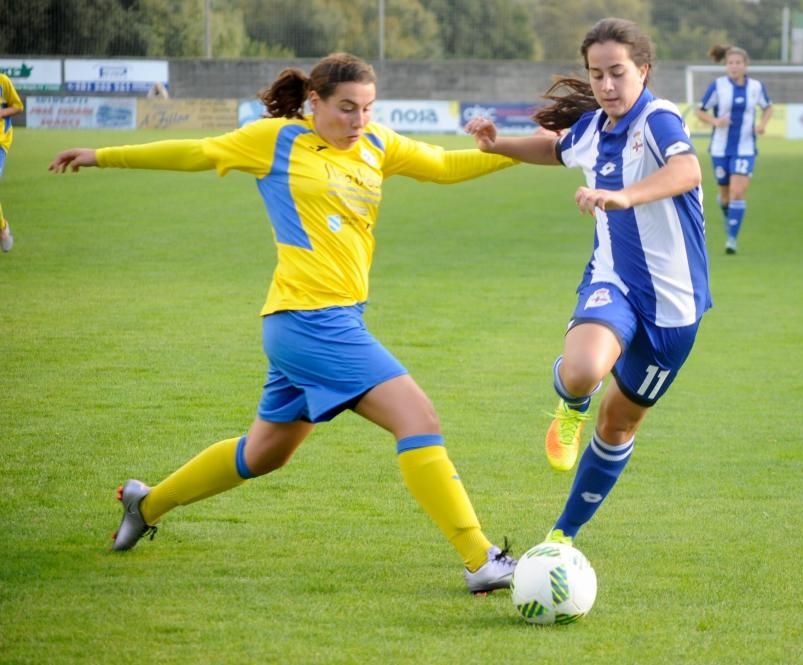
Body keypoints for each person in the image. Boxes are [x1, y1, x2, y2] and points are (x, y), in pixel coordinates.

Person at [49, 52, 518, 594]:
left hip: (324, 319)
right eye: (346, 108)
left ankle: (146, 503)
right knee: (417, 417)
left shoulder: (376, 144)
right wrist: (102, 156)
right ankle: (479, 557)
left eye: (367, 108)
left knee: (263, 454)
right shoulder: (275, 140)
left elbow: (443, 164)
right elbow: (197, 152)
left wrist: (529, 152)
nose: (358, 121)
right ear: (314, 102)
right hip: (309, 320)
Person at [465, 18, 709, 545]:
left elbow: (687, 172)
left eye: (617, 73)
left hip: (674, 310)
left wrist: (626, 195)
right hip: (614, 282)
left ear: (643, 71)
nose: (607, 86)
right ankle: (570, 404)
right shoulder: (592, 130)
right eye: (597, 75)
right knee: (581, 372)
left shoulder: (660, 119)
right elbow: (554, 149)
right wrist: (496, 145)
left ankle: (562, 536)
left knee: (618, 425)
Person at [695, 44, 773, 255]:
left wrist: (762, 125)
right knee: (726, 196)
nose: (734, 66)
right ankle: (728, 212)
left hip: (745, 148)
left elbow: (768, 107)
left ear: (746, 65)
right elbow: (700, 111)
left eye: (738, 63)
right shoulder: (718, 86)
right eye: (730, 63)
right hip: (720, 148)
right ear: (725, 65)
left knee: (738, 193)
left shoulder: (756, 87)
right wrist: (715, 120)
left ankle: (731, 239)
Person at [0, 72, 24, 253]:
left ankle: (2, 231)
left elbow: (18, 106)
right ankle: (2, 227)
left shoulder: (3, 81)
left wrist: (2, 112)